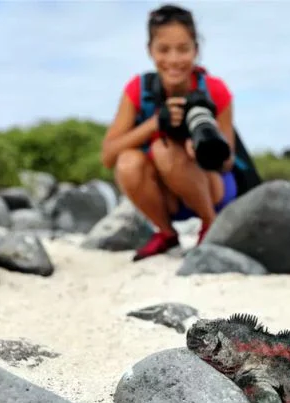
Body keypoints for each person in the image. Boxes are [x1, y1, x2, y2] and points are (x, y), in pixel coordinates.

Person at [101, 4, 238, 261]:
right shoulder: (139, 90)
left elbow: (228, 160)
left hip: (210, 187)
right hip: (166, 196)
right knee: (129, 160)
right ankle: (165, 232)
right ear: (150, 51)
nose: (174, 60)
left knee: (163, 150)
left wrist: (203, 149)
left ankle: (210, 224)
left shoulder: (216, 91)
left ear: (196, 50)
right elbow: (108, 156)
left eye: (183, 49)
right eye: (164, 49)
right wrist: (155, 124)